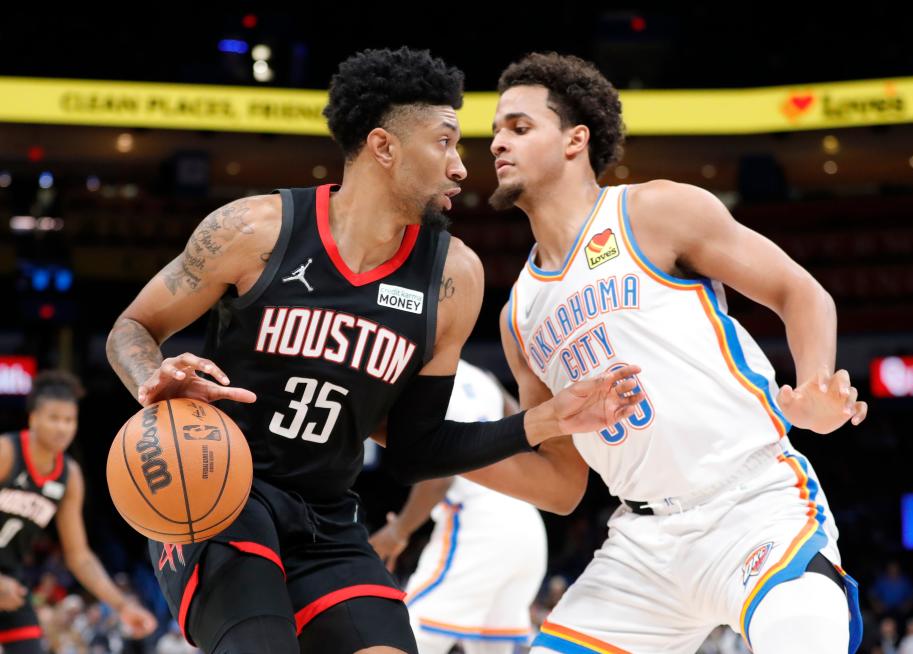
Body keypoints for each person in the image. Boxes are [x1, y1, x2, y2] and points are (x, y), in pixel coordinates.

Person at [106, 47, 640, 654]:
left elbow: (417, 450)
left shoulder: (451, 278)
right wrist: (154, 379)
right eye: (444, 142)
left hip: (328, 516)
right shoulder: (254, 230)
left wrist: (545, 420)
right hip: (220, 493)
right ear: (384, 147)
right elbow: (132, 327)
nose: (462, 168)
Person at [464, 52, 869, 654]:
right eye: (496, 129)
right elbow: (560, 486)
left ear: (576, 139)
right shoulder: (517, 315)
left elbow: (800, 292)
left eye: (519, 127)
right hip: (641, 548)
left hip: (751, 501)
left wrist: (814, 387)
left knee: (806, 636)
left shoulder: (652, 212)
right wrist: (431, 447)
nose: (498, 142)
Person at [369, 359, 547, 653]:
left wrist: (398, 531)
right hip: (525, 520)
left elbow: (438, 477)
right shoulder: (484, 375)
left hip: (477, 524)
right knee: (493, 647)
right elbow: (521, 428)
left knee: (405, 632)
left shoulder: (422, 375)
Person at [0, 371, 156, 653]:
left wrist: (122, 605)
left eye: (69, 420)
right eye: (54, 418)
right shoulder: (6, 452)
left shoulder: (69, 476)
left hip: (11, 579)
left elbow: (79, 556)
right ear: (33, 419)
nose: (62, 428)